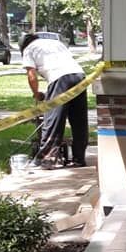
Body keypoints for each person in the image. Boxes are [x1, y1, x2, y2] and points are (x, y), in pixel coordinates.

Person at [21, 33, 88, 168]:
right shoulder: (56, 43)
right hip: (79, 76)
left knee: (53, 120)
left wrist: (36, 94)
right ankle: (79, 158)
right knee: (79, 120)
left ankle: (46, 159)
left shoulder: (28, 49)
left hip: (60, 79)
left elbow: (32, 75)